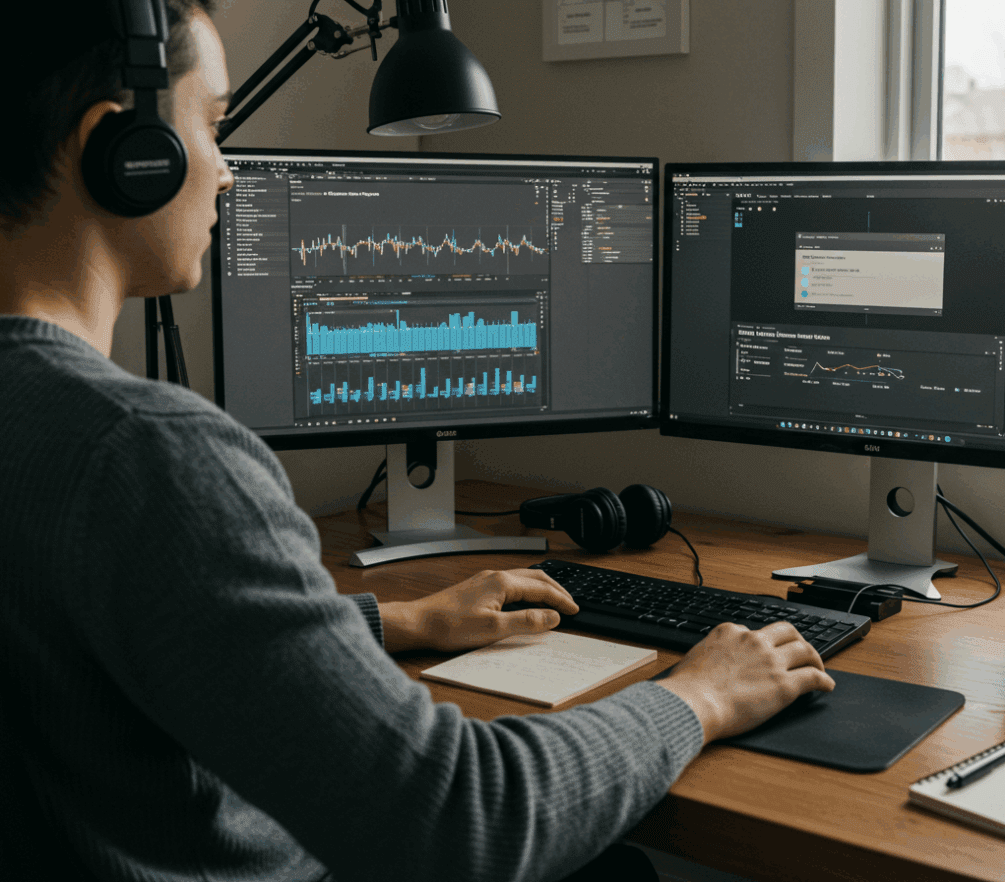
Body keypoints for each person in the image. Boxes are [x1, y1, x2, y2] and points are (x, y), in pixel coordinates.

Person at [0, 3, 834, 880]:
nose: (228, 173)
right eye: (212, 126)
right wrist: (697, 696)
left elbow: (115, 635)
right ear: (122, 151)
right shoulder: (148, 456)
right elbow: (457, 818)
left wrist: (392, 620)